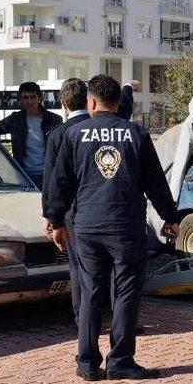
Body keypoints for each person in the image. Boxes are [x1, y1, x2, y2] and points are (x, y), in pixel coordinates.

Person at [48, 75, 179, 381]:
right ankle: (120, 360)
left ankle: (88, 364)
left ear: (90, 102)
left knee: (91, 293)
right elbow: (155, 183)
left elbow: (60, 184)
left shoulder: (74, 134)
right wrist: (170, 217)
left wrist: (55, 221)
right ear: (119, 103)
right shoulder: (136, 133)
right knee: (125, 293)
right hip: (126, 226)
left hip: (87, 227)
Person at [41, 78, 138, 326]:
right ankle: (123, 323)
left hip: (77, 216)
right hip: (118, 213)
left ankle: (83, 324)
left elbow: (54, 179)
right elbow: (121, 108)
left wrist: (51, 217)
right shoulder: (115, 126)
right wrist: (126, 88)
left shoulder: (60, 134)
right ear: (88, 100)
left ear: (63, 104)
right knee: (121, 273)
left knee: (81, 273)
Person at [0, 81, 62, 189]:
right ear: (20, 99)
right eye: (25, 97)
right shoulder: (16, 119)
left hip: (48, 175)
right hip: (23, 176)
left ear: (39, 98)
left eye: (33, 97)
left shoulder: (54, 120)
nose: (29, 101)